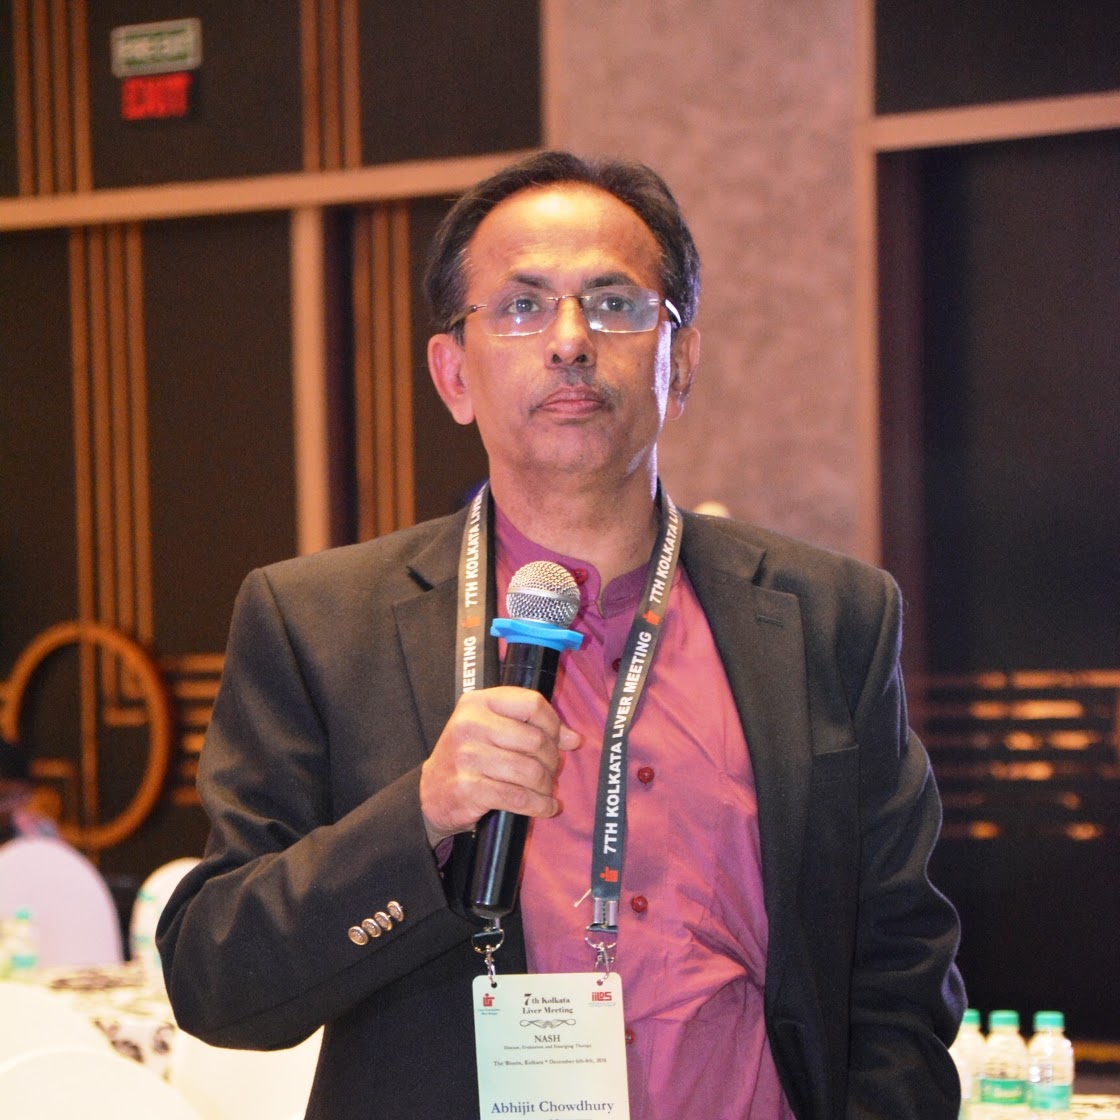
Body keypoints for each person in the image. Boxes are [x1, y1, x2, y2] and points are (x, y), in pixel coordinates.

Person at [158, 151, 965, 1119]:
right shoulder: (318, 623)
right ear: (453, 374)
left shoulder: (828, 617)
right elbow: (216, 979)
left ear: (680, 362)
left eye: (615, 304)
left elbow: (901, 968)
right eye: (522, 305)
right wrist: (420, 816)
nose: (572, 340)